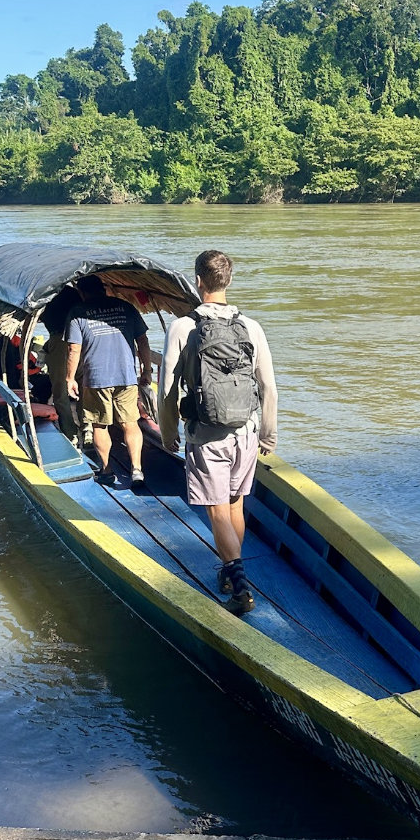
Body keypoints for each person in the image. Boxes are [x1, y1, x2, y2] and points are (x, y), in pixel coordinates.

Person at [159, 249, 277, 615]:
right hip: (246, 429)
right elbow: (268, 388)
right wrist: (268, 435)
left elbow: (166, 389)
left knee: (216, 511)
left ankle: (240, 588)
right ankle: (230, 572)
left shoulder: (183, 326)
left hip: (207, 434)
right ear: (229, 280)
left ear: (197, 281)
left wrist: (167, 433)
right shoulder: (251, 327)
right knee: (235, 503)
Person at [65, 275, 152, 492]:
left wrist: (69, 378)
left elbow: (73, 349)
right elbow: (142, 340)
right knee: (130, 423)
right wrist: (146, 370)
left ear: (82, 292)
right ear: (103, 289)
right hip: (127, 376)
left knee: (99, 424)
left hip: (96, 378)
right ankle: (137, 469)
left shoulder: (77, 312)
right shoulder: (126, 307)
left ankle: (106, 471)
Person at [40, 284, 83, 441]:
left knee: (60, 389)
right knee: (84, 384)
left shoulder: (46, 295)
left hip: (59, 340)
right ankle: (88, 426)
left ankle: (69, 432)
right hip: (82, 341)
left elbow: (43, 317)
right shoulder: (74, 293)